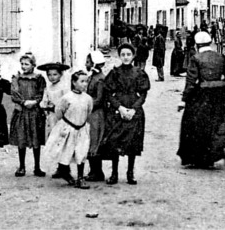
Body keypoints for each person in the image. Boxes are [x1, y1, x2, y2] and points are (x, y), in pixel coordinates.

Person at [176, 31, 225, 169]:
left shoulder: (196, 58)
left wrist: (184, 100)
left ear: (197, 45)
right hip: (220, 94)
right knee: (216, 123)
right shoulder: (221, 57)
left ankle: (198, 158)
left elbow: (191, 81)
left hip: (202, 94)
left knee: (195, 124)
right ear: (210, 43)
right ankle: (215, 153)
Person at [99, 43, 150, 185]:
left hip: (134, 109)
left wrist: (134, 109)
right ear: (119, 56)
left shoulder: (139, 72)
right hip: (118, 110)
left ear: (133, 56)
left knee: (132, 143)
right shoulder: (115, 73)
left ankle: (130, 173)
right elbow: (109, 94)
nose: (126, 57)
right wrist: (120, 108)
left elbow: (143, 95)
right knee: (115, 141)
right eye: (123, 55)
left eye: (128, 54)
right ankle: (114, 173)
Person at [44, 70, 94, 190]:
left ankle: (80, 178)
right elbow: (59, 111)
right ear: (74, 82)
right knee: (65, 150)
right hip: (67, 128)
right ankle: (63, 171)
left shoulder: (87, 98)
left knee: (81, 152)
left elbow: (88, 112)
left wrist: (80, 125)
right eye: (81, 81)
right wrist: (68, 124)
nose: (84, 84)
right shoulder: (67, 97)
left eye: (86, 81)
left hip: (81, 129)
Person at [10, 53, 47, 177]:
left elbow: (42, 92)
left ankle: (37, 167)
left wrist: (35, 101)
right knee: (22, 138)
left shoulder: (38, 78)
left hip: (35, 112)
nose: (24, 66)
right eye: (22, 64)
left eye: (26, 64)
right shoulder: (17, 78)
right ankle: (22, 166)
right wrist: (23, 102)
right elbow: (14, 93)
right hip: (21, 111)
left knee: (36, 138)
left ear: (33, 65)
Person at [38, 62, 69, 179]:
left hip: (61, 118)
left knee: (62, 141)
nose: (52, 77)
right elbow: (43, 101)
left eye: (55, 74)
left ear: (60, 75)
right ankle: (59, 167)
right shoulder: (48, 88)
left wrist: (55, 106)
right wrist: (44, 105)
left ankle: (64, 168)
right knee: (54, 141)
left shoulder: (64, 87)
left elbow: (66, 102)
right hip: (51, 118)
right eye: (49, 75)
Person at [84, 51, 108, 182]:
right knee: (89, 140)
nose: (85, 64)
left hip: (96, 114)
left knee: (94, 141)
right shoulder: (92, 77)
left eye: (88, 62)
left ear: (94, 63)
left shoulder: (100, 79)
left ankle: (97, 172)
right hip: (90, 113)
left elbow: (99, 99)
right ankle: (94, 170)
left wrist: (84, 102)